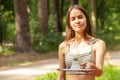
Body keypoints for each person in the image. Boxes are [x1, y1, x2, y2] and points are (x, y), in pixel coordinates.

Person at [57, 5, 106, 80]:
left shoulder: (98, 44)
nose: (77, 21)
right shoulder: (63, 46)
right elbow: (61, 76)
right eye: (73, 19)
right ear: (69, 23)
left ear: (86, 19)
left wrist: (92, 66)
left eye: (80, 17)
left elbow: (99, 73)